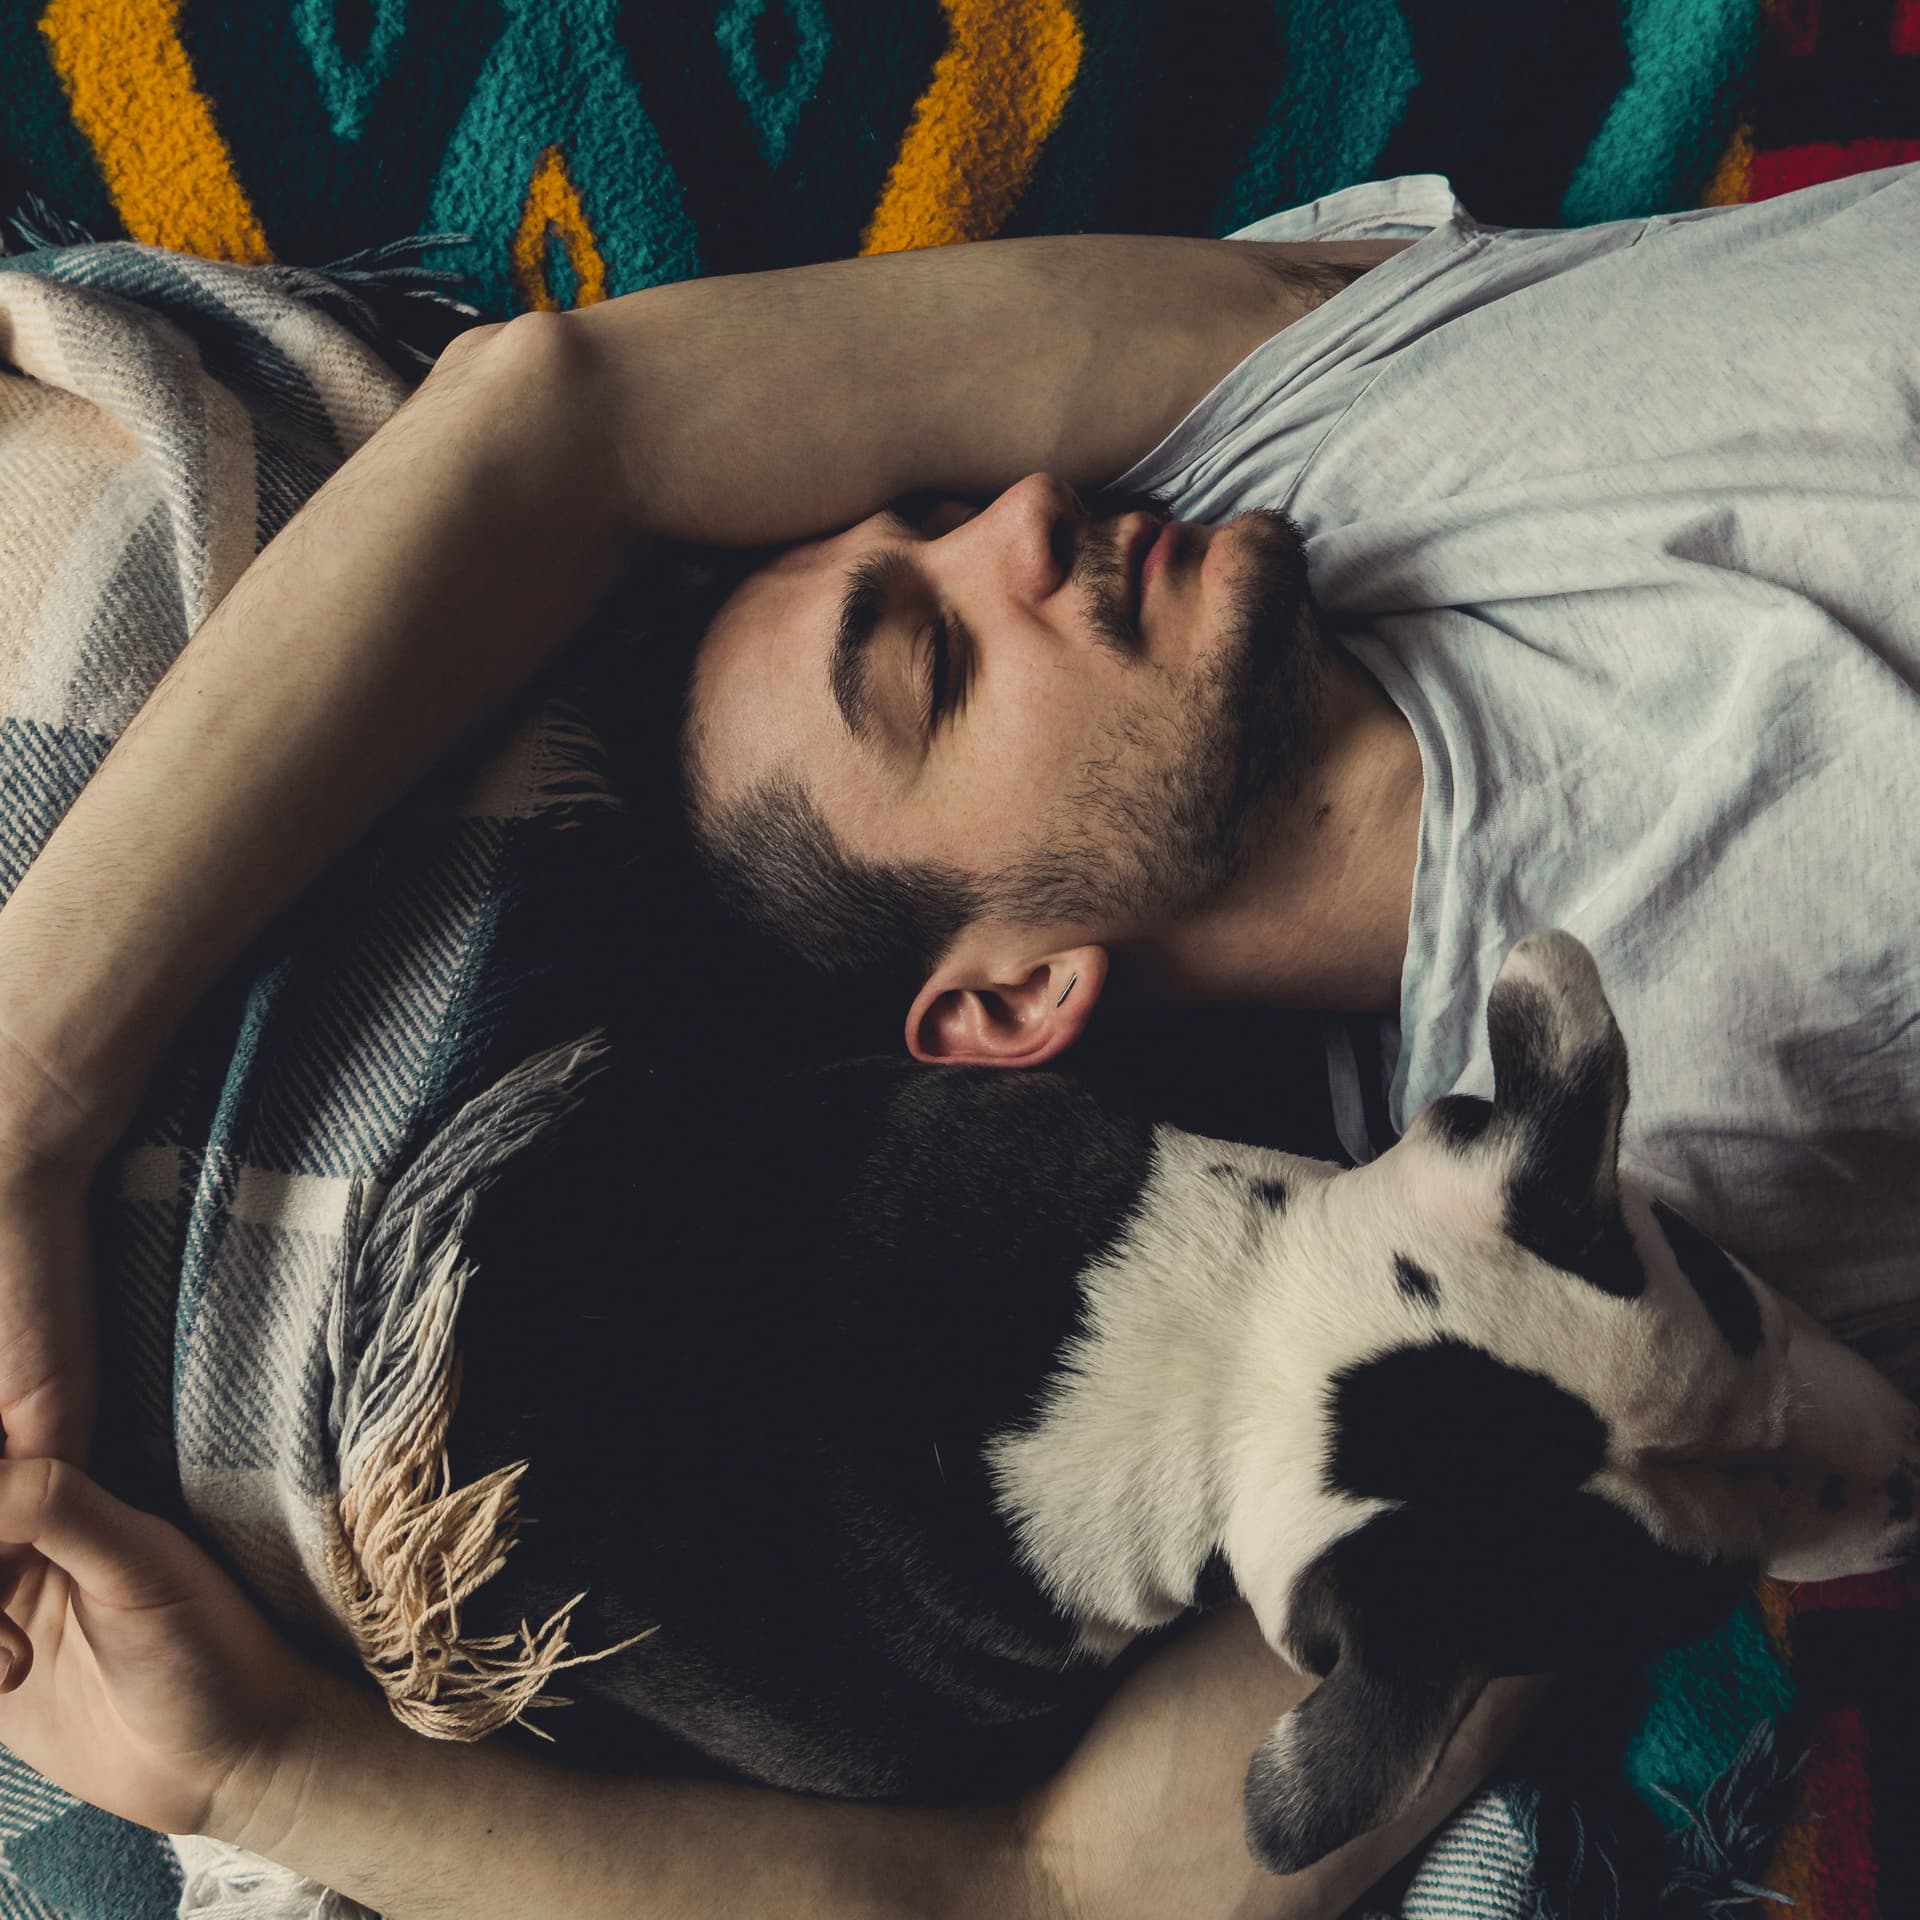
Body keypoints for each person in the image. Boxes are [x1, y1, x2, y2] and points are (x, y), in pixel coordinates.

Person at [0, 158, 1914, 1913]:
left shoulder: (1285, 383)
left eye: (926, 515)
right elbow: (1046, 1891)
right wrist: (254, 1770)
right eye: (934, 661)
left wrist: (31, 1103)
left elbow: (553, 426)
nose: (1024, 513)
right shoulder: (1503, 1287)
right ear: (1009, 997)